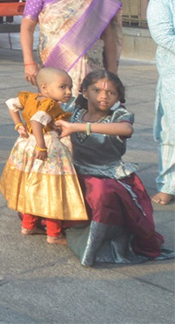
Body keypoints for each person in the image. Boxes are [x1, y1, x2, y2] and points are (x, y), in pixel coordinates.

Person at [56, 70, 173, 266]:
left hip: (108, 176)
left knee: (102, 192)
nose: (103, 96)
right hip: (77, 171)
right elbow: (40, 104)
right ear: (84, 92)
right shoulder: (74, 112)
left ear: (118, 97)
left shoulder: (119, 115)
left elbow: (126, 129)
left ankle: (94, 245)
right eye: (96, 90)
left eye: (111, 93)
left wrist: (80, 127)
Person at [0, 67, 86, 244]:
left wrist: (18, 125)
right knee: (51, 189)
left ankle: (28, 225)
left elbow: (11, 104)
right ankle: (54, 234)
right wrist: (42, 146)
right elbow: (37, 121)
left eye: (69, 87)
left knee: (32, 186)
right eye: (63, 87)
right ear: (45, 88)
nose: (68, 92)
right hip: (47, 147)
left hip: (27, 145)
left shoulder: (30, 98)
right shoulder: (50, 105)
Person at [21, 0, 121, 93]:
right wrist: (29, 62)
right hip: (55, 64)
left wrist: (112, 72)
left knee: (90, 110)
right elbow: (26, 29)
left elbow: (107, 35)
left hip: (91, 67)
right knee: (56, 109)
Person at [147, 0, 175, 206]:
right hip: (173, 76)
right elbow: (163, 35)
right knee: (172, 131)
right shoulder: (163, 0)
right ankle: (169, 185)